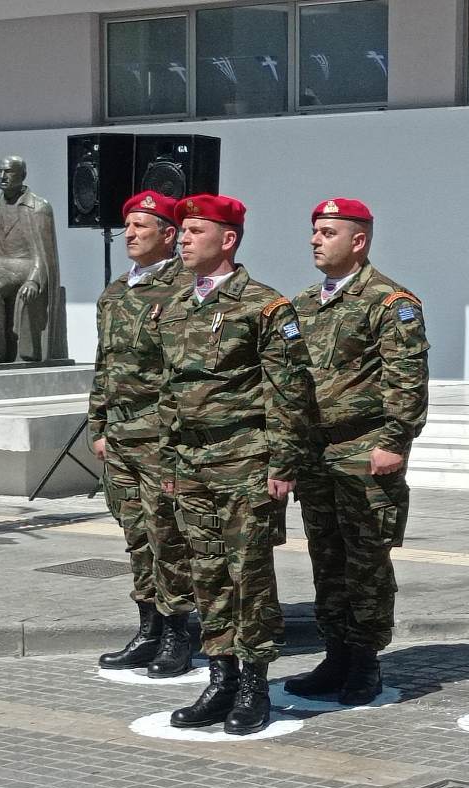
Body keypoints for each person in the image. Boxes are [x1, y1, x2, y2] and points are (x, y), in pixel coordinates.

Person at [154, 193, 314, 737]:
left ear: (228, 240)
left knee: (249, 575)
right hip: (192, 461)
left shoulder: (264, 307)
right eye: (181, 231)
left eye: (195, 231)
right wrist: (170, 458)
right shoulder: (176, 306)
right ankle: (221, 677)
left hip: (245, 459)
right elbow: (170, 391)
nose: (182, 239)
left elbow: (288, 391)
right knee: (207, 571)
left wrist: (282, 462)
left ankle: (253, 684)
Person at [282, 198, 429, 706]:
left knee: (366, 560)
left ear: (358, 241)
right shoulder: (302, 304)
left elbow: (407, 379)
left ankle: (365, 660)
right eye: (315, 231)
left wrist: (394, 441)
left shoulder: (390, 302)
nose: (315, 240)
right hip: (315, 453)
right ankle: (336, 654)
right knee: (326, 558)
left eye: (328, 232)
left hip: (365, 450)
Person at [88, 191, 199, 678]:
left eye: (141, 226)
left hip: (160, 435)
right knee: (136, 535)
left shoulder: (185, 288)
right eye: (128, 226)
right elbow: (103, 364)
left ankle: (177, 633)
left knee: (167, 535)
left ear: (169, 235)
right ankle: (148, 628)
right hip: (121, 436)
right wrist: (98, 425)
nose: (129, 234)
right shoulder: (115, 292)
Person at [0, 156, 61, 364]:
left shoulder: (39, 207)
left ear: (23, 174)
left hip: (24, 265)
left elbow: (44, 254)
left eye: (8, 171)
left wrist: (34, 280)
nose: (2, 176)